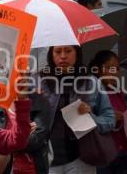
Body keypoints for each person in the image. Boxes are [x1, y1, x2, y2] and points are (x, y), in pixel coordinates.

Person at [35, 45, 115, 174]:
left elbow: (110, 119)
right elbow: (23, 119)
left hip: (81, 159)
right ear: (51, 54)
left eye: (68, 51)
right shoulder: (38, 81)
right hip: (47, 160)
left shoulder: (90, 82)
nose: (63, 56)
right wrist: (34, 102)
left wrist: (90, 117)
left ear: (77, 53)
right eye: (58, 51)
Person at [89, 50, 127, 174]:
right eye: (109, 68)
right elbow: (87, 120)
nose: (114, 73)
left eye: (116, 69)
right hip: (102, 152)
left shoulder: (116, 90)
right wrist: (109, 117)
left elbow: (125, 113)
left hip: (120, 150)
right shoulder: (91, 89)